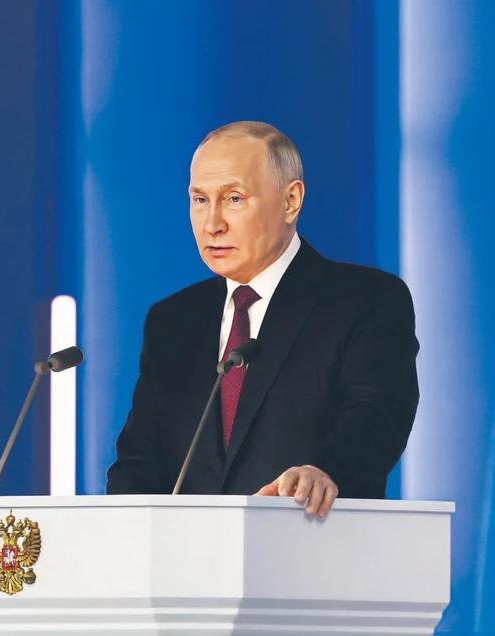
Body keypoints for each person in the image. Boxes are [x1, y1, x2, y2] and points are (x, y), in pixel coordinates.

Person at [105, 121, 419, 518]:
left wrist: (323, 472)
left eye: (234, 198)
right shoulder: (172, 321)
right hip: (188, 554)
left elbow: (376, 416)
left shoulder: (365, 300)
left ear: (291, 201)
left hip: (311, 541)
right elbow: (138, 463)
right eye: (200, 199)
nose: (212, 224)